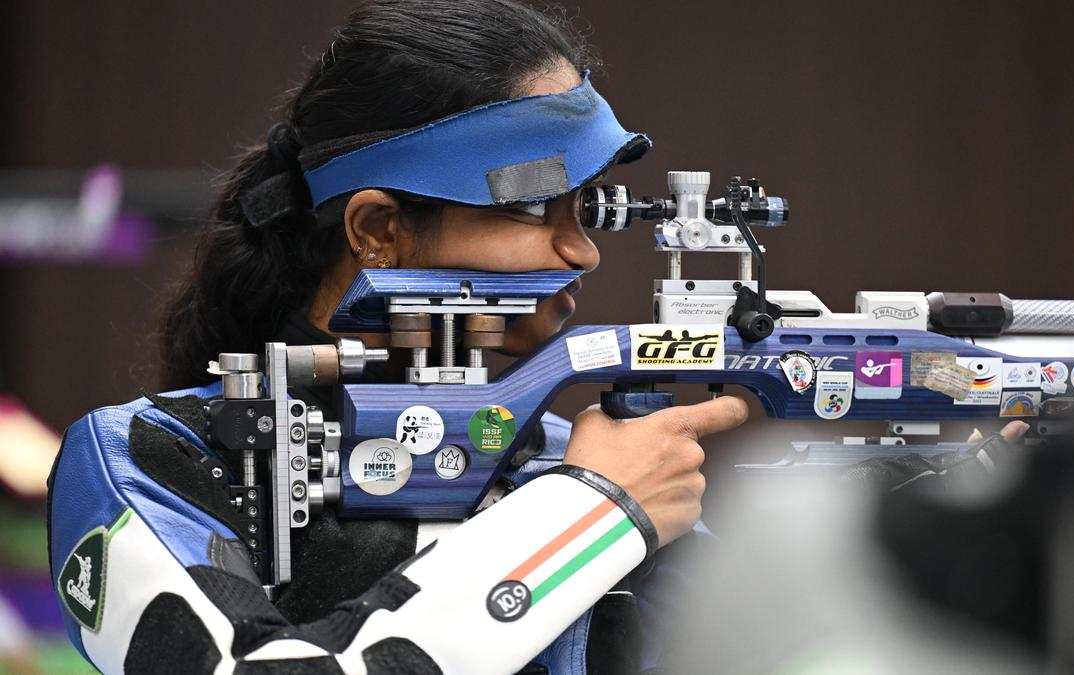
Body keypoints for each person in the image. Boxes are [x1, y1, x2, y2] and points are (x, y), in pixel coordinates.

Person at [46, 2, 747, 673]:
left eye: (586, 208)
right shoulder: (146, 456)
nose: (582, 251)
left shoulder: (581, 460)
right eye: (532, 207)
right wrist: (589, 512)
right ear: (378, 230)